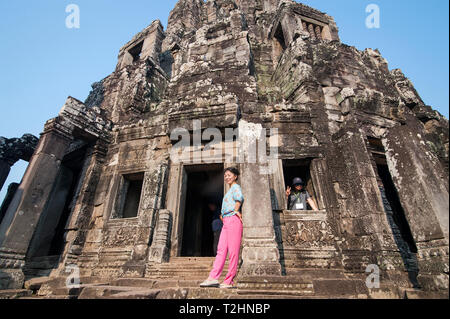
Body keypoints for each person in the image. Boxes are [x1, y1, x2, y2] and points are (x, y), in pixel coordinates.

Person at [200, 167, 243, 289]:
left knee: (233, 252)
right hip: (226, 221)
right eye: (225, 176)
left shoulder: (236, 187)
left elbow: (239, 198)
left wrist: (235, 210)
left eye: (229, 175)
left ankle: (229, 280)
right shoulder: (229, 191)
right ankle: (213, 277)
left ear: (235, 176)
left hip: (233, 220)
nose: (227, 177)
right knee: (221, 250)